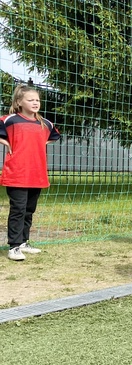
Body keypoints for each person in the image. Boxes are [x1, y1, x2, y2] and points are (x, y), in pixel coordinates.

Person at [0, 84, 61, 261]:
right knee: (18, 209)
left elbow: (54, 137)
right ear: (19, 102)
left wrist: (39, 144)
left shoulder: (46, 124)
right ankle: (14, 246)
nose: (35, 103)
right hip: (17, 174)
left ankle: (24, 242)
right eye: (30, 100)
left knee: (29, 210)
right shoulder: (10, 120)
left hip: (37, 174)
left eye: (37, 100)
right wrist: (8, 143)